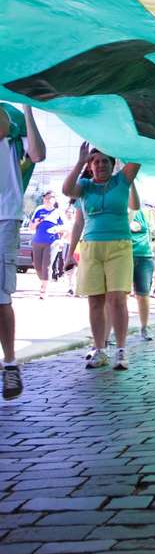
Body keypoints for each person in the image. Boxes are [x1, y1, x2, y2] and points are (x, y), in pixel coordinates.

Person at [62, 143, 141, 371]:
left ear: (113, 163)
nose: (100, 165)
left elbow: (137, 154)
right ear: (90, 165)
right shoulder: (85, 187)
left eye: (105, 161)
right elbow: (67, 190)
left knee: (117, 299)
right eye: (95, 161)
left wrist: (114, 135)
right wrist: (79, 162)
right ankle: (100, 350)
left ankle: (121, 350)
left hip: (119, 247)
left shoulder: (121, 180)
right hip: (91, 248)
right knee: (95, 301)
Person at [1, 104, 45, 399]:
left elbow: (39, 154)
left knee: (0, 297)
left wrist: (27, 107)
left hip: (4, 219)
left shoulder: (13, 145)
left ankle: (11, 365)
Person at [127, 186, 154, 341]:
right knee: (121, 295)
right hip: (124, 256)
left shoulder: (145, 213)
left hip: (144, 256)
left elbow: (148, 231)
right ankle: (115, 330)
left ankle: (144, 327)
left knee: (143, 295)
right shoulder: (120, 211)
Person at [29, 190, 63, 300]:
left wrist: (57, 228)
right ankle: (44, 280)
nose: (48, 199)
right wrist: (37, 223)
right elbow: (31, 227)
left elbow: (66, 227)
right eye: (46, 197)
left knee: (46, 266)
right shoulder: (39, 210)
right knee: (37, 267)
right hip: (37, 241)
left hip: (52, 242)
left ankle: (44, 289)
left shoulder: (58, 212)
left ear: (54, 199)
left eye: (50, 197)